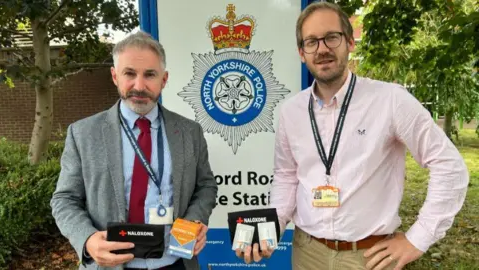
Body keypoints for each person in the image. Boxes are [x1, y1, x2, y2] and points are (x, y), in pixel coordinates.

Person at [236, 2, 469, 270]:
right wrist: (271, 228)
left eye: (331, 37)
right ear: (302, 53)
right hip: (307, 252)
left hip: (370, 256)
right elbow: (287, 176)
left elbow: (449, 166)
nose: (322, 49)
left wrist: (418, 238)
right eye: (311, 41)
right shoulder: (291, 112)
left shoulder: (390, 100)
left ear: (349, 42)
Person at [51, 31, 218, 270]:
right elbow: (64, 199)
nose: (139, 86)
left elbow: (206, 186)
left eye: (150, 75)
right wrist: (86, 240)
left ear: (164, 79)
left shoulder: (190, 132)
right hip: (110, 265)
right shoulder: (83, 134)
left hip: (176, 262)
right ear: (114, 76)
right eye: (130, 73)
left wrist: (193, 221)